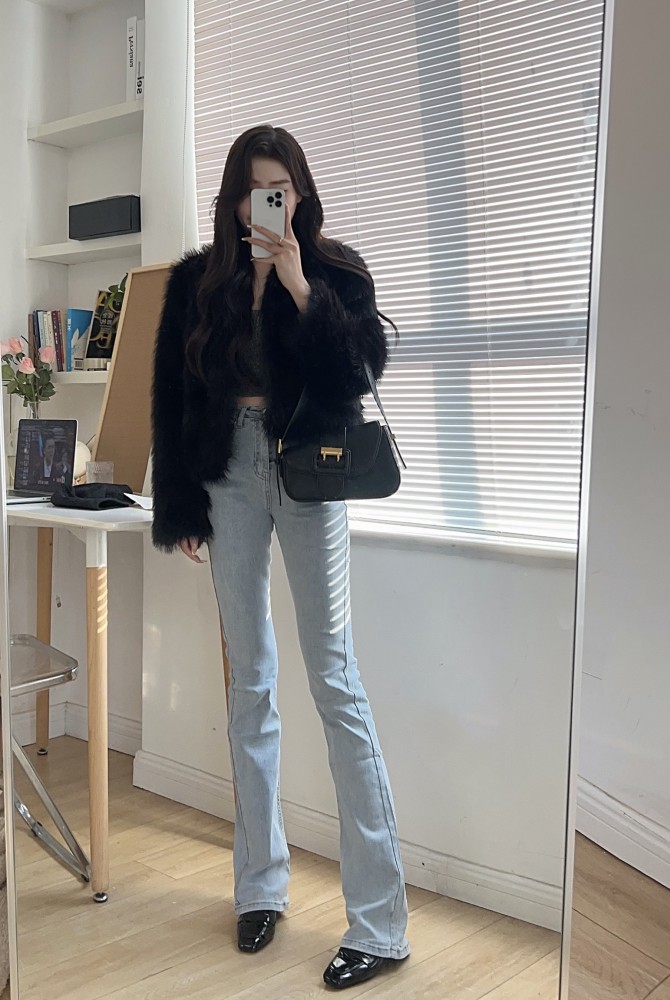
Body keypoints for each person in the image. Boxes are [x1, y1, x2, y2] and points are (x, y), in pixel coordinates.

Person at [151, 125, 409, 990]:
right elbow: (173, 398)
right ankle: (260, 886)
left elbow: (358, 374)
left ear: (299, 193)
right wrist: (182, 505)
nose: (268, 204)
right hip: (226, 474)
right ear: (234, 201)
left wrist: (300, 287)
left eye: (282, 189)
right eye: (255, 190)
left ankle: (380, 924)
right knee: (250, 686)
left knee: (335, 680)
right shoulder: (198, 282)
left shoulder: (335, 271)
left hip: (313, 472)